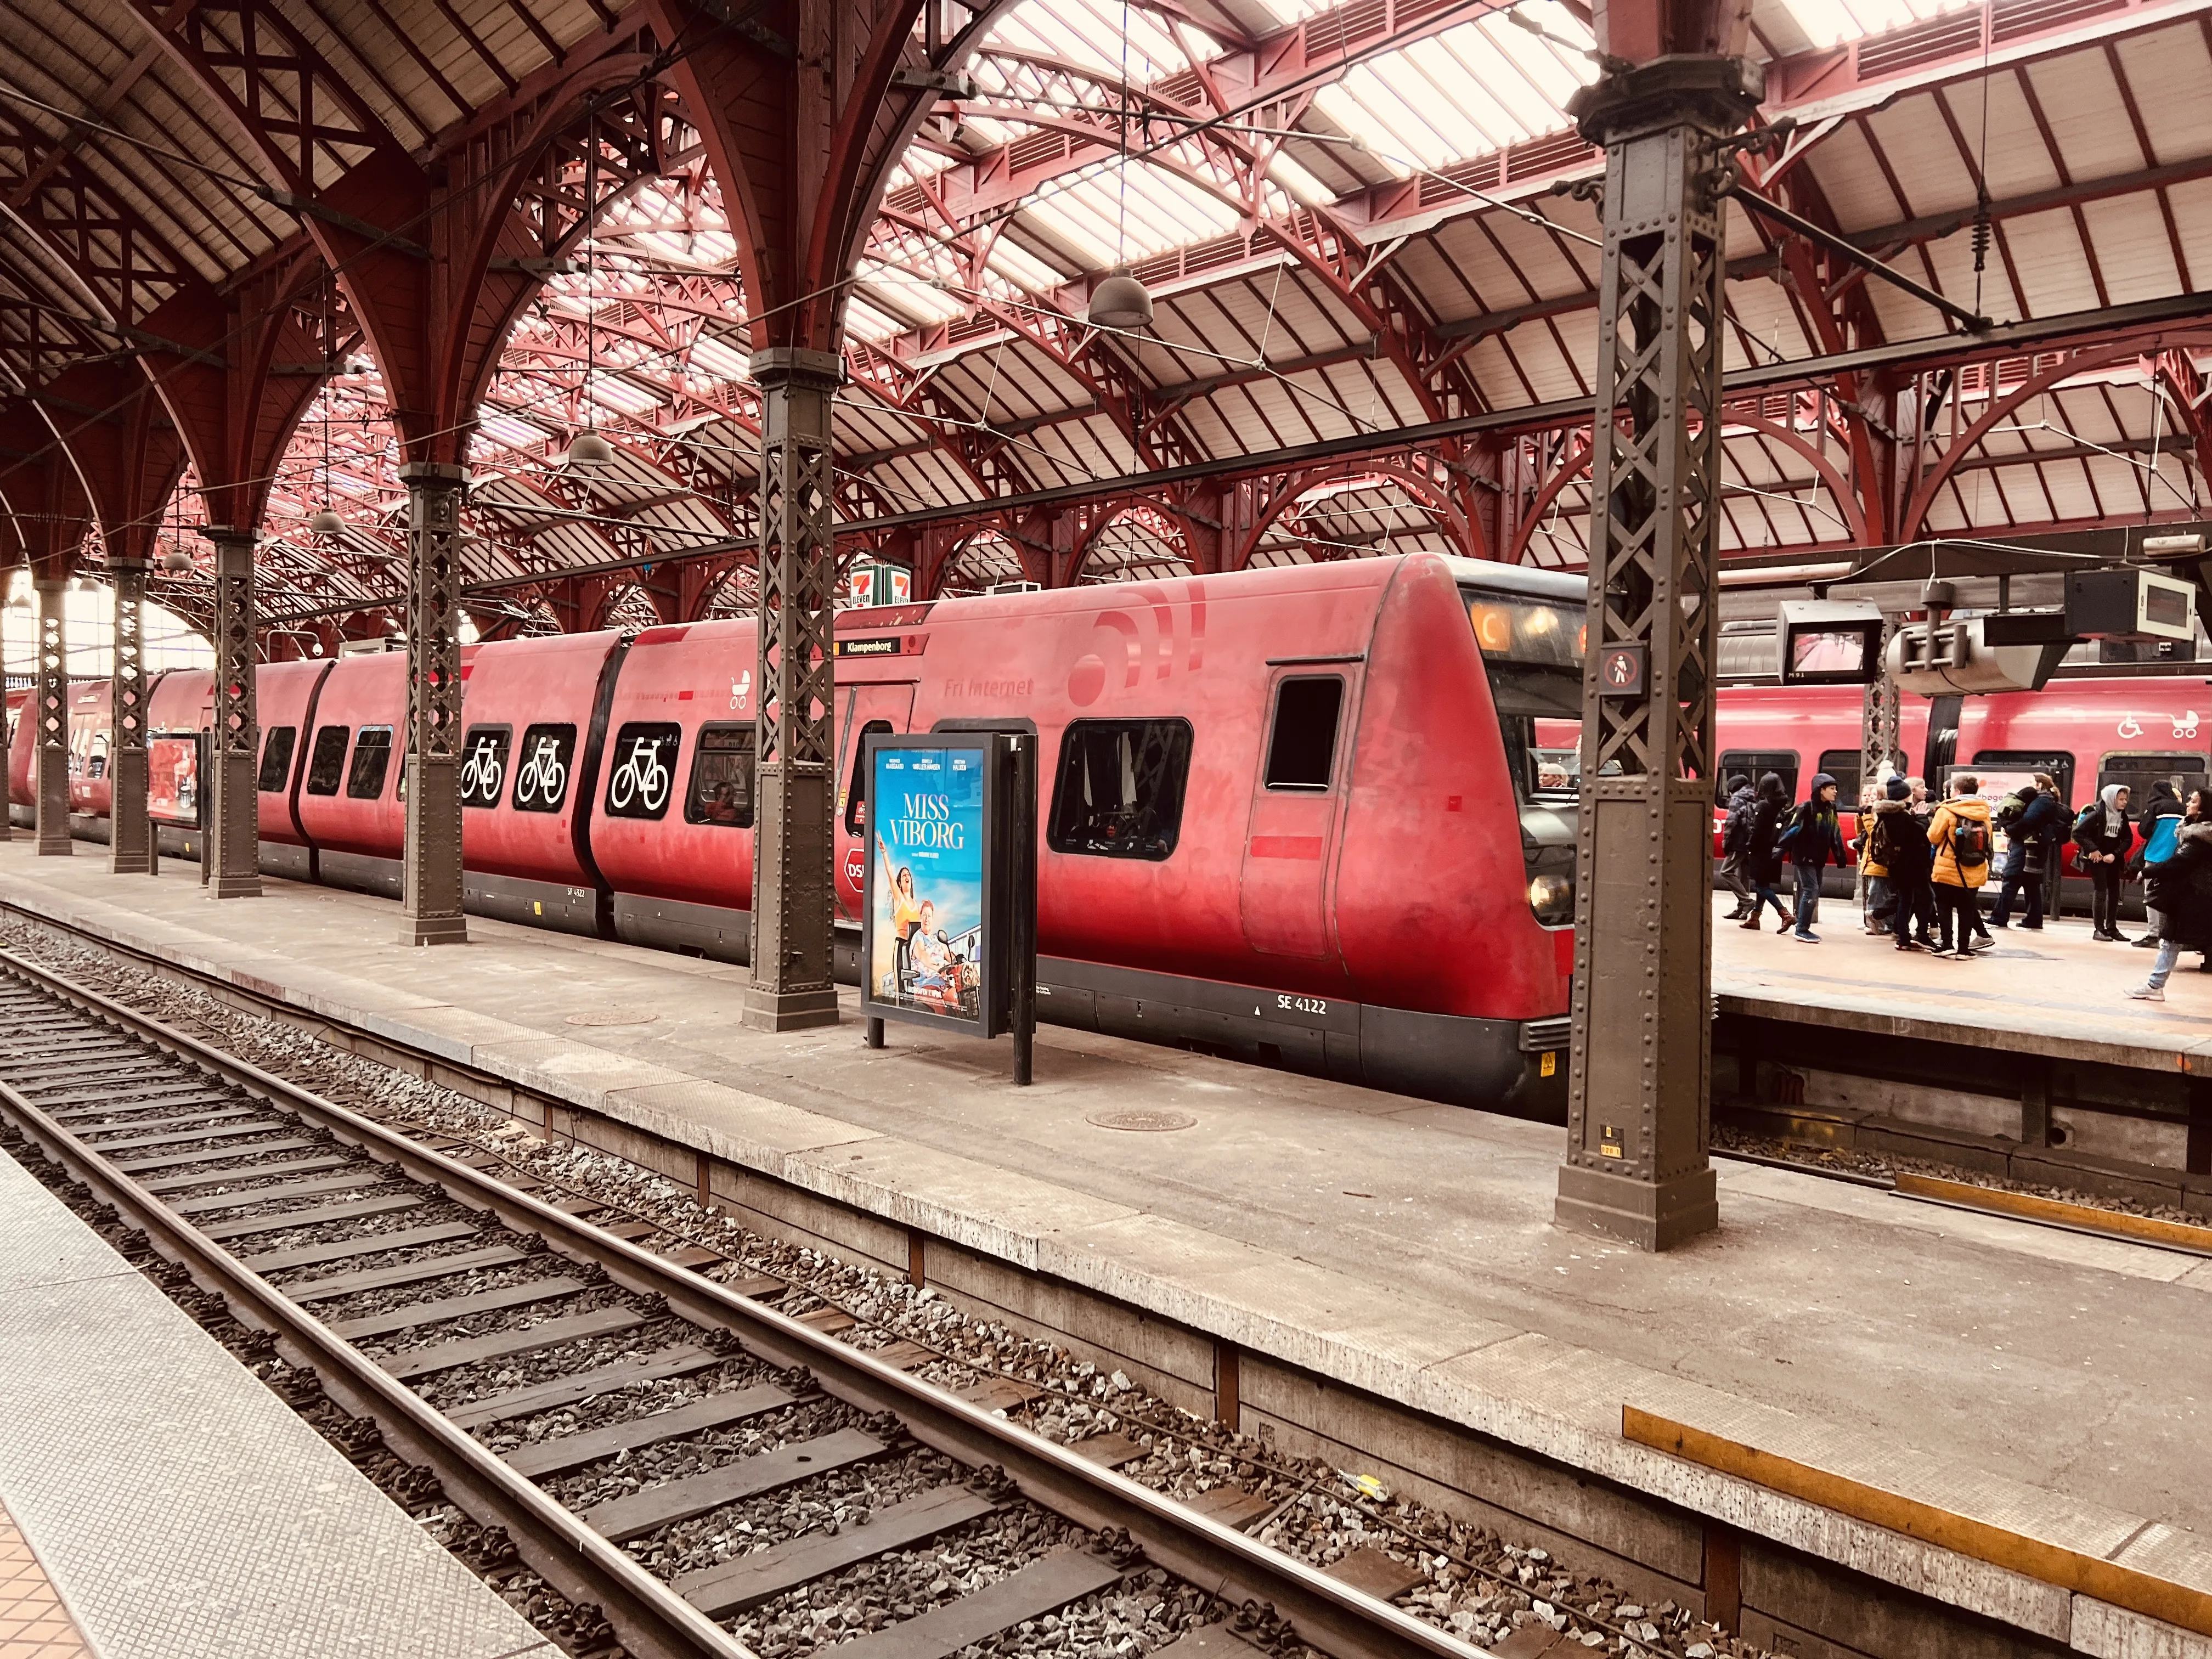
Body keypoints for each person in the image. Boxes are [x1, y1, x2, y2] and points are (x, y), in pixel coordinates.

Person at [2128, 791, 2212, 1000]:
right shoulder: (2195, 834)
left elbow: (2179, 865)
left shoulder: (2199, 839)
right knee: (2170, 941)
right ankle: (2155, 985)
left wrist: (2147, 871)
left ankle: (2155, 986)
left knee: (2170, 940)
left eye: (2193, 801)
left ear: (2203, 809)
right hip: (2195, 896)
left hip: (2193, 896)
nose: (2188, 804)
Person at [1927, 774, 1995, 958]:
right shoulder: (1983, 813)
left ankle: (1947, 944)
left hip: (1947, 868)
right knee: (1966, 908)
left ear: (1957, 791)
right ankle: (1963, 949)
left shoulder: (1946, 811)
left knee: (1944, 905)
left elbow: (1933, 837)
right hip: (1973, 869)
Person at [1990, 772, 2066, 931]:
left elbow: (2028, 820)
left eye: (2032, 782)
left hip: (2026, 847)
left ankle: (1999, 917)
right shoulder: (2047, 800)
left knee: (2011, 879)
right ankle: (2033, 919)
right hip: (2035, 848)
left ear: (2039, 785)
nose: (2029, 784)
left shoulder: (2042, 801)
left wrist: (2010, 830)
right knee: (2031, 883)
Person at [1782, 772, 1847, 942]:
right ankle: (1802, 929)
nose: (1835, 792)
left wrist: (1840, 856)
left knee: (1815, 890)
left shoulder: (1831, 809)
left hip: (1819, 857)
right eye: (1832, 789)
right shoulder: (1806, 808)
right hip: (1804, 856)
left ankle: (1803, 928)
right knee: (1811, 890)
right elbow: (1792, 830)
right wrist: (1779, 850)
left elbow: (1835, 832)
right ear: (1821, 790)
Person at [2073, 784, 2136, 941]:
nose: (2124, 802)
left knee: (2115, 893)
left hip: (2113, 859)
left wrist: (2116, 854)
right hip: (2097, 859)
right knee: (2100, 891)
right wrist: (2093, 850)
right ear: (2110, 799)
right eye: (2120, 799)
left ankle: (2112, 928)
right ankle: (2099, 929)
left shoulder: (2122, 817)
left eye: (2125, 799)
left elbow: (2128, 839)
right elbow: (2078, 833)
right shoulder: (2096, 815)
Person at [2129, 778, 2185, 947]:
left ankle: (2153, 935)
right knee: (2173, 898)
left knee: (2151, 896)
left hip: (2155, 857)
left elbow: (2144, 831)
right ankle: (2170, 934)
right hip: (2177, 859)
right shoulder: (2182, 809)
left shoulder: (2154, 807)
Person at [1738, 772, 1792, 931]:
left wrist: (1749, 844)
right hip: (1774, 851)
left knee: (1760, 887)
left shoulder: (1763, 805)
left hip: (1760, 851)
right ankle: (1755, 919)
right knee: (1763, 883)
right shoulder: (1783, 805)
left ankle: (1785, 914)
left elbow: (1757, 830)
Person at [1719, 772, 1755, 919]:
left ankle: (1746, 902)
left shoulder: (1737, 799)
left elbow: (1731, 822)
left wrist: (1726, 841)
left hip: (1738, 843)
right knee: (1743, 875)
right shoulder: (1752, 798)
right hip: (1749, 843)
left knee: (1726, 872)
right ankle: (1742, 910)